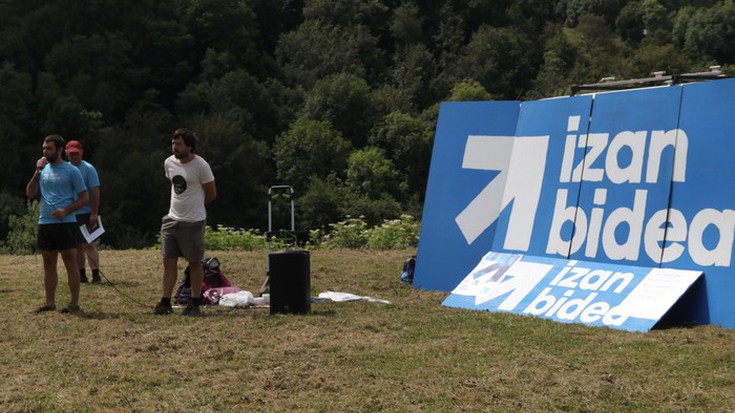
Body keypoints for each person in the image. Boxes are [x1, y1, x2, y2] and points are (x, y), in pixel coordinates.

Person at [152, 128, 217, 316]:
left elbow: (211, 193)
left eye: (179, 144)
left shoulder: (201, 166)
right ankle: (165, 302)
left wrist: (196, 206)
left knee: (195, 263)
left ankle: (195, 303)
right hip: (172, 219)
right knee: (168, 261)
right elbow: (175, 185)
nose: (175, 147)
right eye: (173, 143)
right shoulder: (169, 163)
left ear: (189, 146)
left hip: (193, 222)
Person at [25, 134, 88, 314]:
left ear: (60, 150)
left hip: (65, 222)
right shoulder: (42, 170)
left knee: (70, 261)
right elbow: (30, 193)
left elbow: (84, 198)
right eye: (44, 148)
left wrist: (66, 211)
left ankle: (74, 303)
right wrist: (36, 172)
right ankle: (50, 303)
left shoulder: (71, 171)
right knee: (48, 263)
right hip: (45, 222)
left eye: (49, 148)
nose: (45, 152)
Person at [65, 140, 102, 284]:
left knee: (89, 244)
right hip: (70, 213)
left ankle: (96, 274)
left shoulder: (89, 168)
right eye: (71, 153)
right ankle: (81, 274)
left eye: (76, 153)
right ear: (66, 153)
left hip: (86, 213)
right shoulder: (64, 168)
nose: (74, 156)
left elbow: (95, 191)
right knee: (77, 246)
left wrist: (94, 213)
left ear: (81, 152)